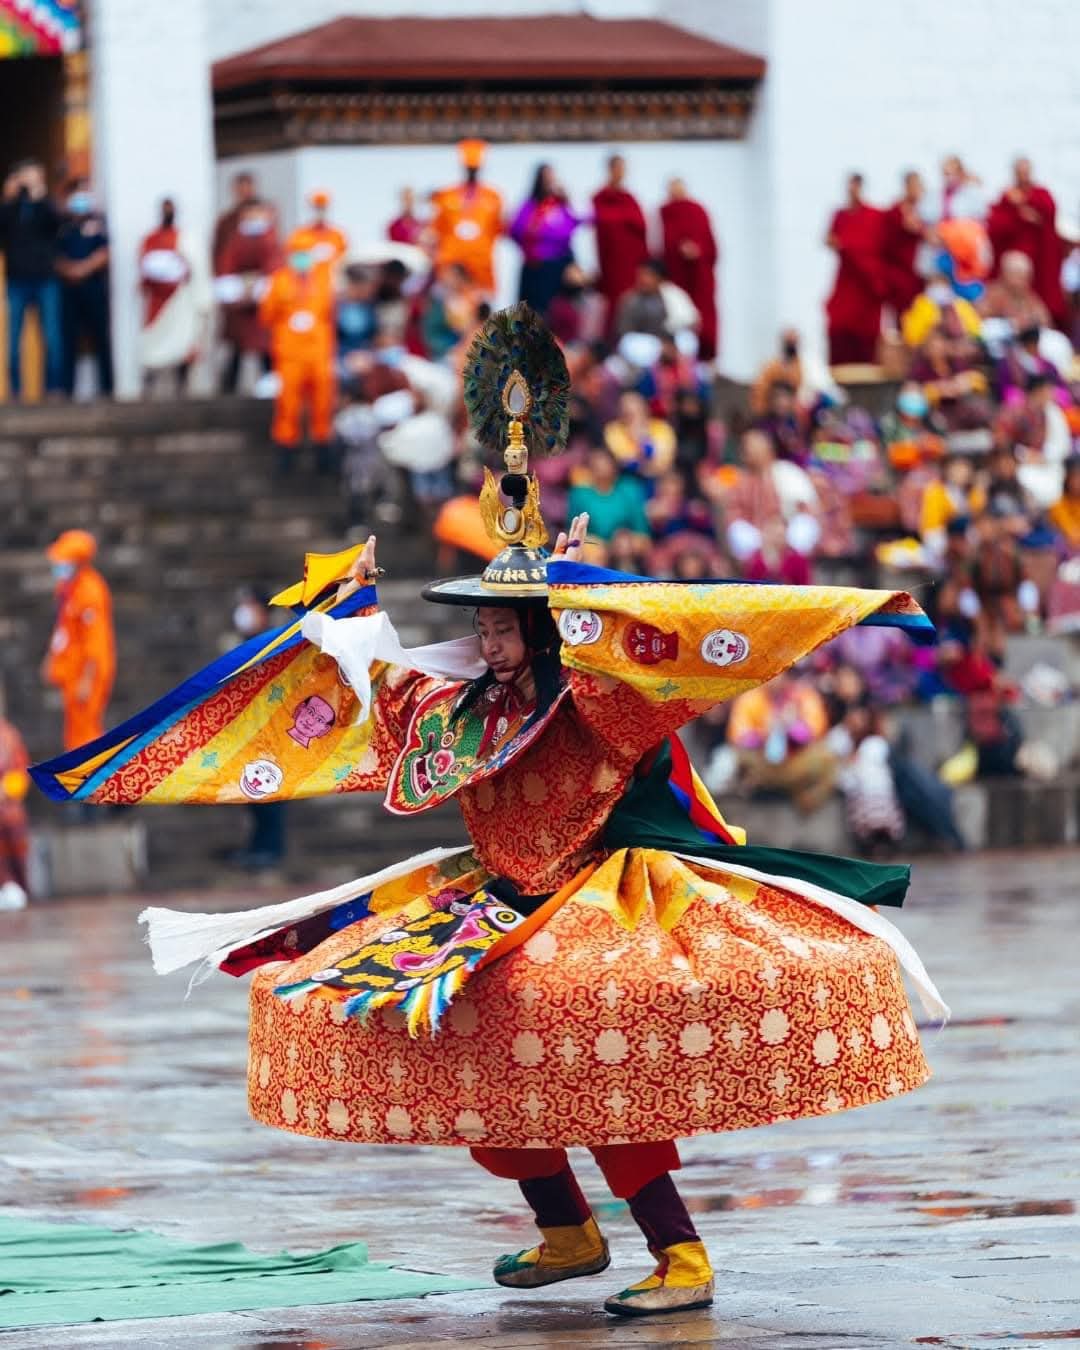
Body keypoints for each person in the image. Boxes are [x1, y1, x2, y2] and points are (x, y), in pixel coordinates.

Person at [40, 306, 944, 1321]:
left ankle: (681, 1254)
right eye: (485, 626)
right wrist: (352, 614)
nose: (492, 640)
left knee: (595, 1058)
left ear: (542, 632)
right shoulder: (461, 709)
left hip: (595, 894)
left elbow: (648, 671)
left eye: (508, 626)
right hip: (498, 900)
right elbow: (384, 692)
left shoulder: (587, 704)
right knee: (464, 1050)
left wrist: (587, 600)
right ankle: (568, 1229)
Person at [259, 241, 337, 469]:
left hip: (318, 350)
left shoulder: (323, 279)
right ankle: (286, 447)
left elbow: (331, 313)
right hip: (290, 352)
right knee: (288, 402)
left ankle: (322, 446)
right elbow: (266, 315)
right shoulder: (279, 280)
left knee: (322, 399)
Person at [41, 530, 115, 753]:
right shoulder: (67, 588)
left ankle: (90, 772)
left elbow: (96, 641)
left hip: (86, 671)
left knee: (86, 731)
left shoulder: (90, 591)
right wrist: (51, 659)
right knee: (74, 730)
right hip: (72, 670)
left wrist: (87, 680)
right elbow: (62, 627)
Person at [0, 159, 64, 399]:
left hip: (45, 279)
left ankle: (54, 388)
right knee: (13, 338)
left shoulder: (46, 205)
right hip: (17, 280)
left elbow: (58, 224)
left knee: (52, 335)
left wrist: (42, 198)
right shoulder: (11, 208)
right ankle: (15, 390)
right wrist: (8, 197)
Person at [138, 197, 210, 395]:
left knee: (183, 342)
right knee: (153, 344)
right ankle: (149, 385)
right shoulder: (151, 239)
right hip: (158, 303)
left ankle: (182, 385)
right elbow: (144, 265)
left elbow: (195, 267)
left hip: (181, 299)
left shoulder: (184, 239)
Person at [987, 158, 1067, 328]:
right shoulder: (1008, 195)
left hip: (1038, 261)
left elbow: (1047, 216)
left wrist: (1025, 206)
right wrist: (1016, 211)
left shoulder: (1041, 194)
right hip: (1015, 257)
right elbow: (996, 225)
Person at [215, 199, 281, 394]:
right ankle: (228, 391)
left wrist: (259, 287)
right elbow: (226, 266)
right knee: (237, 349)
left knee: (266, 349)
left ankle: (270, 389)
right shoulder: (236, 240)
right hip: (239, 304)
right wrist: (238, 288)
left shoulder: (270, 238)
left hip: (263, 306)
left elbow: (275, 266)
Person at [429, 139, 503, 295]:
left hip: (481, 266)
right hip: (452, 265)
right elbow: (436, 230)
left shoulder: (493, 197)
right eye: (469, 168)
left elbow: (499, 229)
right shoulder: (446, 196)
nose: (472, 172)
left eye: (475, 168)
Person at [824, 173, 884, 365]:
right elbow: (830, 239)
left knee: (866, 334)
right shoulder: (840, 215)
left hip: (867, 282)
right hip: (847, 281)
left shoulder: (874, 215)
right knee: (840, 324)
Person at [509, 165, 582, 318]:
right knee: (531, 313)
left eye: (551, 177)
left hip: (557, 267)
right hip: (534, 267)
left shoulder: (560, 205)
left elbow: (576, 223)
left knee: (555, 312)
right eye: (545, 178)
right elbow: (515, 230)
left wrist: (567, 199)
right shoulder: (530, 206)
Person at [659, 178, 719, 361]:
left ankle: (706, 358)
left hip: (698, 277)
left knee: (703, 319)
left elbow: (711, 247)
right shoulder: (664, 213)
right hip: (676, 277)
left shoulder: (697, 211)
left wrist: (697, 251)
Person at [591, 154, 648, 335]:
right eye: (618, 168)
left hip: (631, 262)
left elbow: (641, 226)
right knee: (614, 305)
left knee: (632, 301)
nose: (621, 173)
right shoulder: (600, 197)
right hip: (611, 262)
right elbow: (600, 223)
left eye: (623, 169)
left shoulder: (629, 198)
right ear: (610, 170)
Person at [0, 683, 31, 911]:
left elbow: (20, 771)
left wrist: (5, 791)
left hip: (6, 802)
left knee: (12, 819)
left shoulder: (8, 735)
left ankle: (17, 885)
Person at [602, 391, 676, 484]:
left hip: (659, 480)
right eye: (626, 411)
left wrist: (643, 436)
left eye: (635, 411)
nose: (630, 416)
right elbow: (626, 461)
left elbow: (663, 463)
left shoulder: (662, 428)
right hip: (627, 480)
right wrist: (636, 435)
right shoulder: (613, 430)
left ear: (645, 409)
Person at [881, 171, 926, 323]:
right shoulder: (895, 211)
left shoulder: (924, 210)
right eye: (914, 185)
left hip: (919, 277)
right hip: (899, 277)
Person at [979, 250, 1051, 335]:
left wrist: (1030, 320)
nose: (1021, 281)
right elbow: (980, 317)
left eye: (1024, 276)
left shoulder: (1030, 296)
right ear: (1005, 274)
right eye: (1017, 275)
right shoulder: (993, 293)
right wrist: (1010, 322)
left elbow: (1045, 321)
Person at [287, 189, 348, 268]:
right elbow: (291, 264)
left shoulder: (338, 236)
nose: (319, 211)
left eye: (322, 208)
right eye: (317, 208)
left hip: (331, 275)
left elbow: (344, 262)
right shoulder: (298, 236)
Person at [212, 169, 258, 272]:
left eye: (248, 192)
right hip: (234, 273)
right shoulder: (226, 221)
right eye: (241, 191)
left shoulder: (266, 217)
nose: (245, 196)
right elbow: (219, 250)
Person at [750, 329, 803, 416]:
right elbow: (760, 390)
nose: (792, 346)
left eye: (794, 343)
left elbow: (797, 387)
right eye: (789, 342)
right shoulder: (771, 365)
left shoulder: (798, 366)